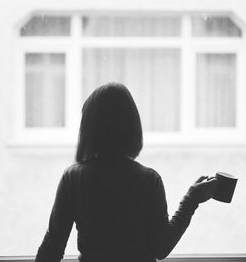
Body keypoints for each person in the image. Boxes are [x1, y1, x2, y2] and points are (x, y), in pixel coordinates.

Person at [35, 83, 218, 262]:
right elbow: (161, 248)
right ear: (132, 126)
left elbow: (52, 248)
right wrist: (192, 199)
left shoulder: (73, 178)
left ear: (89, 129)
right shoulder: (149, 180)